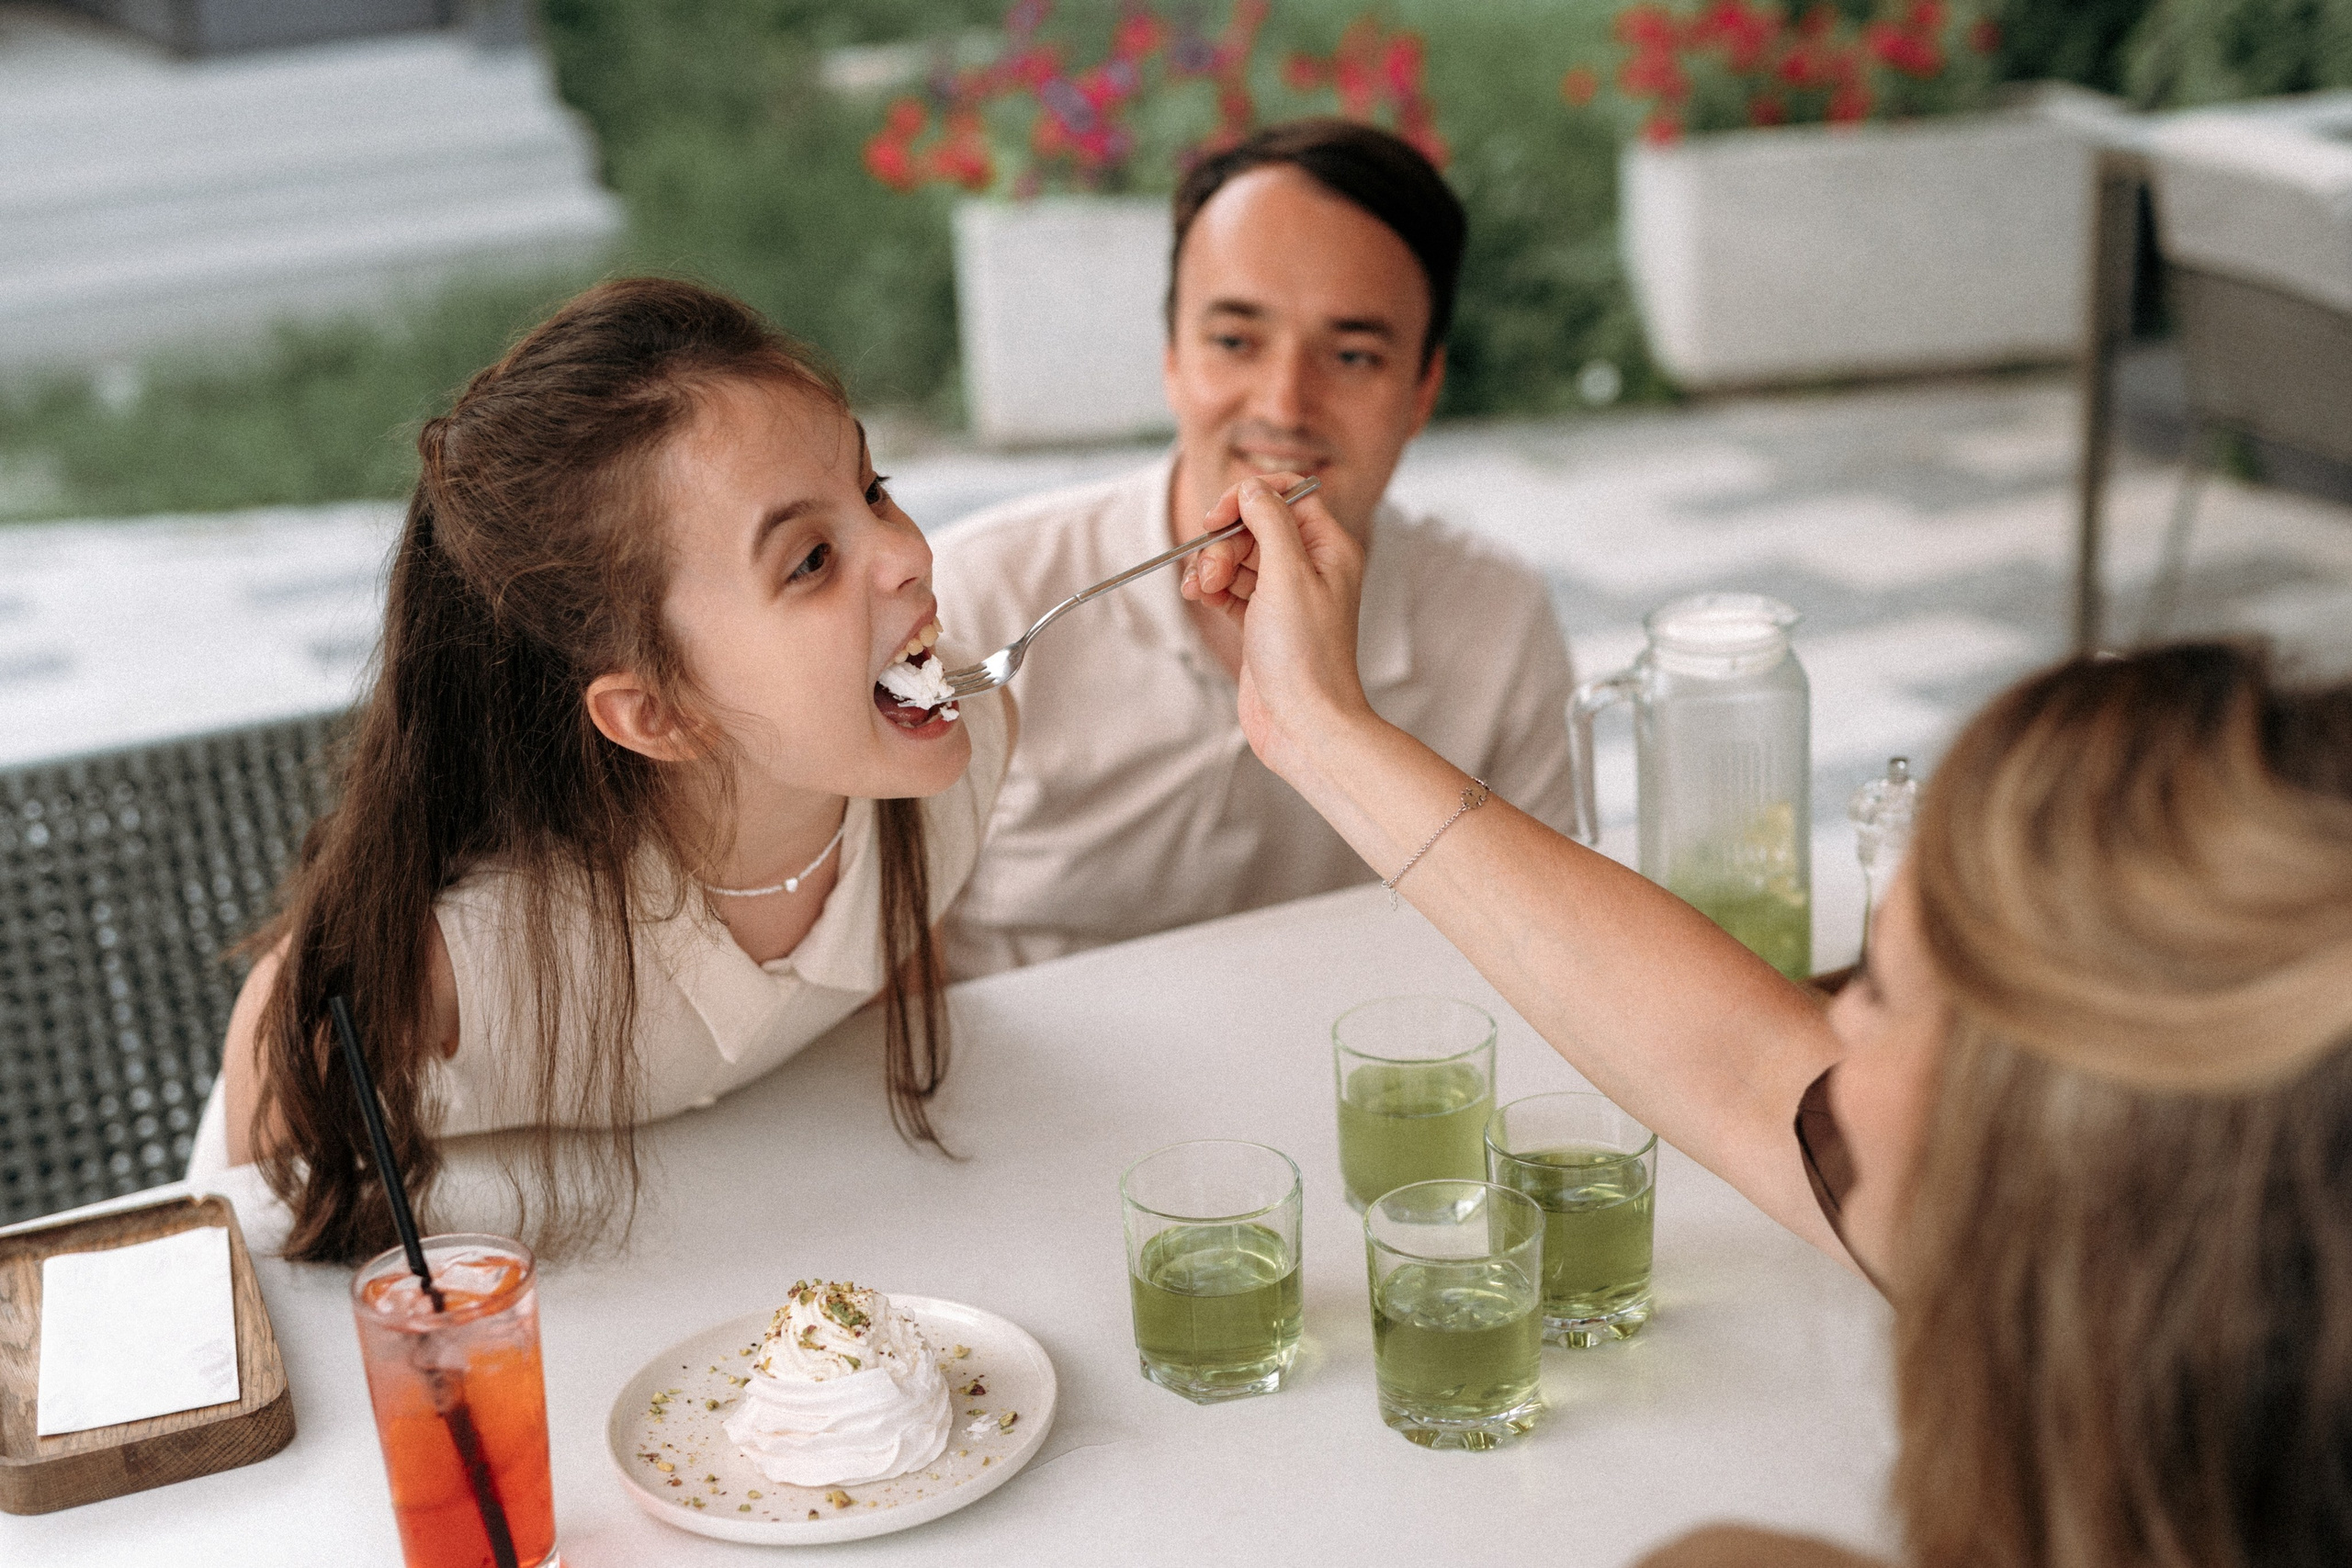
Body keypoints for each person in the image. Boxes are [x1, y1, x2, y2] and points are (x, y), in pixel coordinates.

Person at [1186, 473, 2352, 1565]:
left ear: (2058, 1140)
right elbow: (1739, 1065)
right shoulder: (2159, 1267)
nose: (1828, 1038)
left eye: (1877, 995)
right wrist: (1315, 726)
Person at [198, 279, 1015, 1264]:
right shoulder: (462, 962)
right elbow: (251, 1242)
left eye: (875, 491)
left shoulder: (959, 758)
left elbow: (877, 983)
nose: (906, 554)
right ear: (658, 713)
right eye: (809, 561)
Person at [931, 118, 1576, 978]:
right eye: (1235, 340)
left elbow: (1552, 955)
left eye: (1352, 355)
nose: (1285, 403)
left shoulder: (1497, 623)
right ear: (1171, 356)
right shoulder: (979, 599)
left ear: (1423, 390)